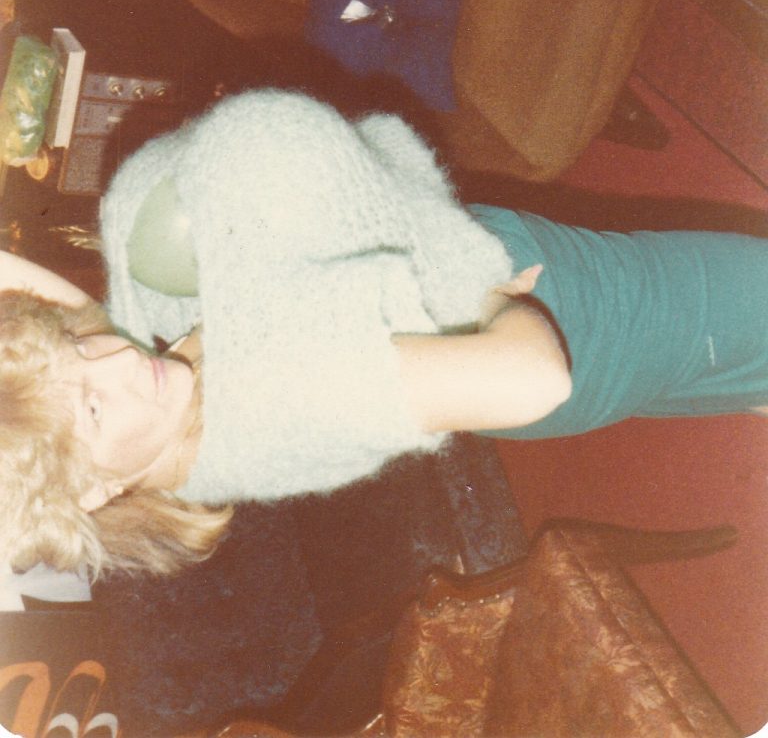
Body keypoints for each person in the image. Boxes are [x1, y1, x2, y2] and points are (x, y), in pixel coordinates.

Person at [1, 87, 766, 580]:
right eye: (92, 408)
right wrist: (492, 295)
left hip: (526, 337)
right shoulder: (278, 393)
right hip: (569, 319)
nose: (119, 361)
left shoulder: (150, 418)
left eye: (78, 353)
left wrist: (59, 359)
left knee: (734, 371)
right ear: (95, 491)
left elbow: (61, 321)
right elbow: (537, 380)